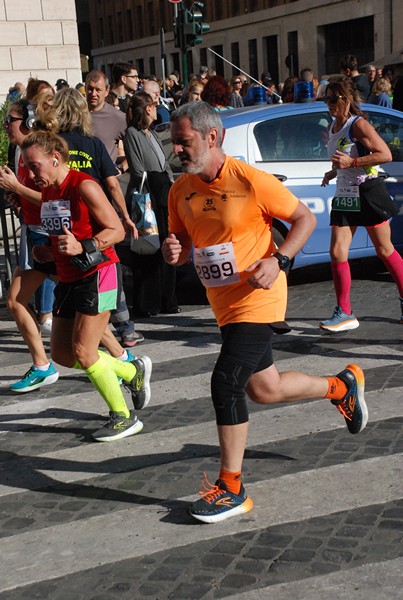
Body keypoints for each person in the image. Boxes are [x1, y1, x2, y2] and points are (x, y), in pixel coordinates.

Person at [162, 101, 368, 524]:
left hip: (260, 296)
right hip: (223, 302)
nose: (177, 151)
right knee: (264, 389)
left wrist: (282, 260)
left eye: (183, 143)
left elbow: (304, 219)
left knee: (226, 382)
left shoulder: (250, 180)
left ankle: (232, 487)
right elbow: (181, 244)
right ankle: (341, 387)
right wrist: (174, 252)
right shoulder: (179, 190)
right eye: (175, 144)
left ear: (211, 137)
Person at [20, 130, 152, 442]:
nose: (29, 172)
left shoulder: (84, 185)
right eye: (26, 166)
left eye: (34, 165)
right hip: (68, 277)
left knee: (85, 349)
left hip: (100, 273)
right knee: (65, 355)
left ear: (55, 159)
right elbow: (64, 236)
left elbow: (116, 230)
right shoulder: (50, 191)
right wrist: (49, 252)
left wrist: (85, 246)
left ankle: (123, 417)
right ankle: (131, 373)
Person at [35, 87, 145, 350]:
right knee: (76, 343)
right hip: (83, 231)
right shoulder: (91, 143)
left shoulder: (54, 146)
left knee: (85, 345)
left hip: (87, 235)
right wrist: (126, 215)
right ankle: (125, 335)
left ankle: (125, 355)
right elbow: (113, 185)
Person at [320, 78, 403, 331]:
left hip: (367, 191)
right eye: (326, 99)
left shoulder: (359, 124)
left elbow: (385, 154)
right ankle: (345, 311)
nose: (329, 104)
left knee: (385, 250)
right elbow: (344, 156)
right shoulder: (335, 125)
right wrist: (333, 172)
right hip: (346, 193)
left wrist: (351, 164)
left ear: (346, 99)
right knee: (336, 252)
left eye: (333, 99)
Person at [0, 99, 59, 392]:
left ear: (28, 121)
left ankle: (124, 358)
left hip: (52, 237)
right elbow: (33, 197)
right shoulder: (20, 153)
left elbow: (55, 198)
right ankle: (41, 365)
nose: (5, 127)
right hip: (36, 234)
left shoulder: (40, 154)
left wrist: (17, 189)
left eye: (9, 120)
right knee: (15, 300)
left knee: (81, 310)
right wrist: (17, 198)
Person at [124, 92, 179, 317]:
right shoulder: (132, 134)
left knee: (167, 243)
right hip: (149, 194)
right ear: (147, 109)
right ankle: (148, 303)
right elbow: (137, 170)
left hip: (164, 192)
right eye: (154, 106)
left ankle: (168, 298)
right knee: (148, 247)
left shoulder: (152, 133)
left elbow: (164, 163)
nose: (157, 110)